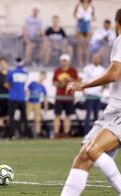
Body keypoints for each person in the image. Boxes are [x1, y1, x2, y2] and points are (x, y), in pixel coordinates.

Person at [61, 9, 121, 196]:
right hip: (113, 109)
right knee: (84, 155)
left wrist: (83, 85)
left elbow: (114, 73)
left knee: (93, 150)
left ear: (117, 24)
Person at [53, 54, 78, 138]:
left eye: (65, 61)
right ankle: (56, 133)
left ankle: (66, 133)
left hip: (69, 96)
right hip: (59, 96)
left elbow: (77, 82)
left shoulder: (73, 71)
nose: (64, 63)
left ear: (69, 61)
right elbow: (54, 82)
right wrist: (60, 84)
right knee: (57, 115)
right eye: (63, 61)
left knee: (68, 115)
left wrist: (69, 80)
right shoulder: (57, 70)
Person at [81, 53, 105, 134]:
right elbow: (84, 80)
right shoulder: (87, 68)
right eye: (94, 58)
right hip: (89, 94)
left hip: (97, 95)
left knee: (96, 115)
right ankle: (86, 132)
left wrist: (103, 88)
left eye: (97, 58)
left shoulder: (102, 69)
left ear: (100, 60)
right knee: (88, 114)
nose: (96, 60)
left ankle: (95, 133)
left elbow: (104, 81)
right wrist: (83, 90)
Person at [7, 57, 29, 139]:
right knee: (23, 118)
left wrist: (12, 89)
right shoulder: (25, 72)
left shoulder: (11, 72)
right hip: (21, 97)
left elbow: (8, 83)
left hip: (13, 97)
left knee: (12, 117)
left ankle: (12, 135)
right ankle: (24, 134)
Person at [74, 0, 95, 66]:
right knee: (80, 45)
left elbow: (93, 16)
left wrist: (90, 19)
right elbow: (74, 15)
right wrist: (80, 19)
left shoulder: (91, 6)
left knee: (87, 45)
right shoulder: (78, 5)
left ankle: (86, 61)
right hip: (80, 25)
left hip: (88, 26)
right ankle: (80, 62)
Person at [27, 71, 48, 138]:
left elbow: (45, 98)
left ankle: (37, 133)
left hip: (37, 103)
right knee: (26, 117)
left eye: (44, 77)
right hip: (30, 102)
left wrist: (45, 107)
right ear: (39, 75)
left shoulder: (43, 87)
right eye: (41, 76)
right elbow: (27, 91)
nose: (42, 78)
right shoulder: (33, 83)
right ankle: (24, 131)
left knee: (37, 119)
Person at [0, 57, 9, 138]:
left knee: (8, 116)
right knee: (0, 116)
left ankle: (7, 133)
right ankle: (0, 134)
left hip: (9, 98)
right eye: (1, 64)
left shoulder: (10, 73)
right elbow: (4, 84)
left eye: (4, 63)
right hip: (1, 98)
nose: (3, 65)